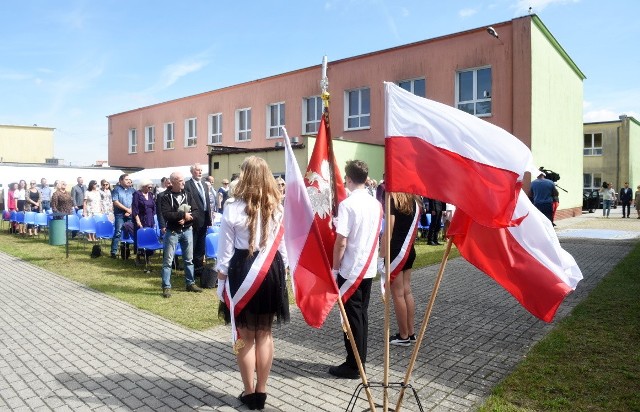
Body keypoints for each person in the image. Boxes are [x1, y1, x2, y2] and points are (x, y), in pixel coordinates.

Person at [216, 156, 289, 410]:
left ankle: (249, 393)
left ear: (244, 175)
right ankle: (262, 390)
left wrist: (221, 282)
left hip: (242, 268)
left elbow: (224, 252)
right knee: (265, 333)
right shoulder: (278, 206)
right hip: (271, 269)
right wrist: (285, 272)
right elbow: (283, 247)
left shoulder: (232, 207)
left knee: (245, 335)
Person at [329, 159, 382, 379]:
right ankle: (359, 360)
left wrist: (334, 269)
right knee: (361, 315)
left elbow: (342, 241)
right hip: (368, 267)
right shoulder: (375, 203)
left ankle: (354, 365)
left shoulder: (348, 204)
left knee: (352, 318)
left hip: (351, 269)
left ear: (348, 179)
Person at [379, 192, 420, 346]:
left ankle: (403, 336)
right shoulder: (415, 199)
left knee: (398, 294)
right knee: (407, 291)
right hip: (409, 250)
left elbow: (387, 233)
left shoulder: (392, 199)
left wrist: (381, 256)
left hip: (396, 253)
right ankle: (410, 332)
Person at [160, 172, 203, 297]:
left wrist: (188, 219)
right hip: (172, 232)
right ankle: (166, 286)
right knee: (168, 261)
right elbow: (166, 214)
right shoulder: (165, 196)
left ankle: (190, 283)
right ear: (173, 182)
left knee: (189, 259)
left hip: (187, 231)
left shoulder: (187, 195)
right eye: (180, 181)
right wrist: (182, 215)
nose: (183, 182)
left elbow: (196, 212)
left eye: (183, 180)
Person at [184, 163, 212, 278]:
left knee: (201, 245)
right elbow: (185, 202)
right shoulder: (187, 185)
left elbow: (207, 202)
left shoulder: (204, 185)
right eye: (197, 170)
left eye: (201, 170)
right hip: (194, 219)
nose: (200, 172)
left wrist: (210, 217)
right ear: (192, 172)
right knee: (193, 246)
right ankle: (192, 270)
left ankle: (199, 268)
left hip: (205, 218)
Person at [110, 174, 135, 259]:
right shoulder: (116, 190)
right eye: (126, 179)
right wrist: (126, 209)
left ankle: (126, 251)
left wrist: (130, 210)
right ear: (120, 181)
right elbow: (115, 202)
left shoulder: (132, 190)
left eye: (129, 179)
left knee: (129, 232)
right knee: (118, 232)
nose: (129, 181)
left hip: (130, 214)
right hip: (120, 215)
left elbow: (135, 201)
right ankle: (113, 252)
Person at [132, 179, 156, 264]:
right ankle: (138, 257)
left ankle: (147, 258)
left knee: (149, 238)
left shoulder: (150, 194)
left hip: (150, 219)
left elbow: (153, 207)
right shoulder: (137, 194)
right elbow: (135, 208)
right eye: (148, 187)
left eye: (151, 187)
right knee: (140, 238)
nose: (150, 189)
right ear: (143, 186)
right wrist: (138, 221)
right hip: (141, 219)